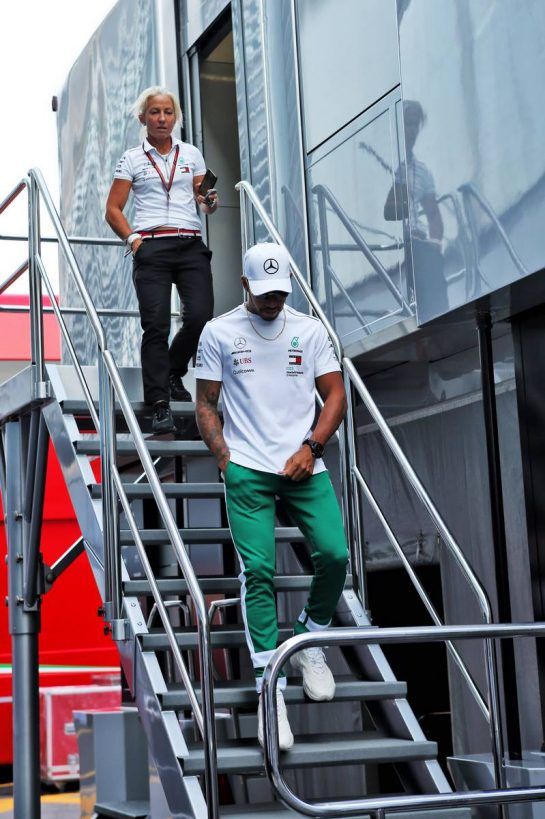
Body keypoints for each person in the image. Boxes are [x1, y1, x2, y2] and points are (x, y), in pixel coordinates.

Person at [195, 242, 349, 750]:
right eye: (263, 293)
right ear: (244, 285)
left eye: (279, 293)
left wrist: (312, 446)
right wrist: (226, 460)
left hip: (304, 464)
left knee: (335, 555)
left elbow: (336, 394)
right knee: (258, 573)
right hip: (248, 470)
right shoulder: (219, 332)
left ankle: (309, 641)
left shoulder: (309, 330)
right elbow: (206, 404)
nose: (271, 301)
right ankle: (270, 690)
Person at [105, 86, 218, 433]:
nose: (162, 118)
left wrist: (210, 202)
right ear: (143, 117)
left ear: (176, 117)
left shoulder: (191, 154)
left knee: (201, 316)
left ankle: (172, 371)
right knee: (156, 325)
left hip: (190, 243)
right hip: (151, 246)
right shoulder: (131, 158)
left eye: (168, 112)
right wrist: (134, 240)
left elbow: (204, 200)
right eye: (155, 112)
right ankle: (159, 404)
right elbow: (113, 209)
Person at [384, 100, 447, 317]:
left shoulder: (422, 171)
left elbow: (434, 215)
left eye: (414, 125)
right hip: (394, 250)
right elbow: (388, 213)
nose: (411, 131)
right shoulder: (387, 163)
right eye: (407, 124)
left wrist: (435, 245)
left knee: (437, 302)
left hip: (419, 246)